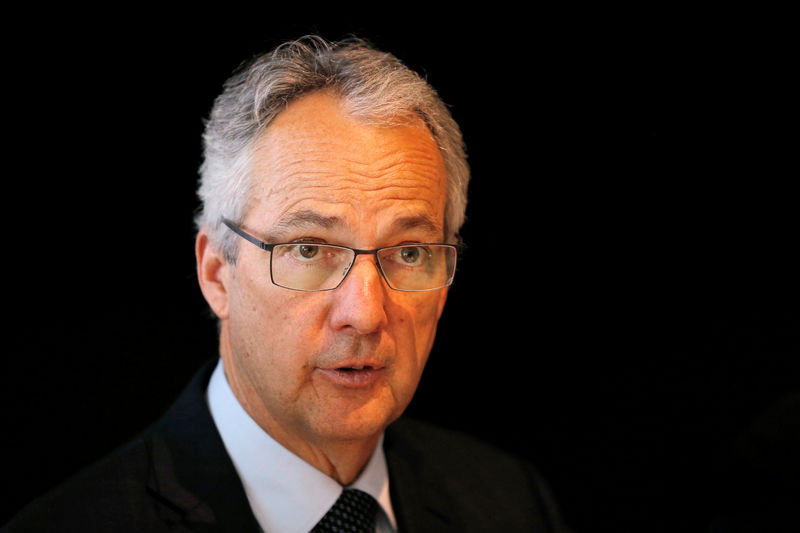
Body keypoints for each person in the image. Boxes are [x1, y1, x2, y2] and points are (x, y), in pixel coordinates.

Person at [3, 35, 569, 532]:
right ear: (216, 273)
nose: (365, 313)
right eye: (308, 250)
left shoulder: (509, 501)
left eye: (410, 251)